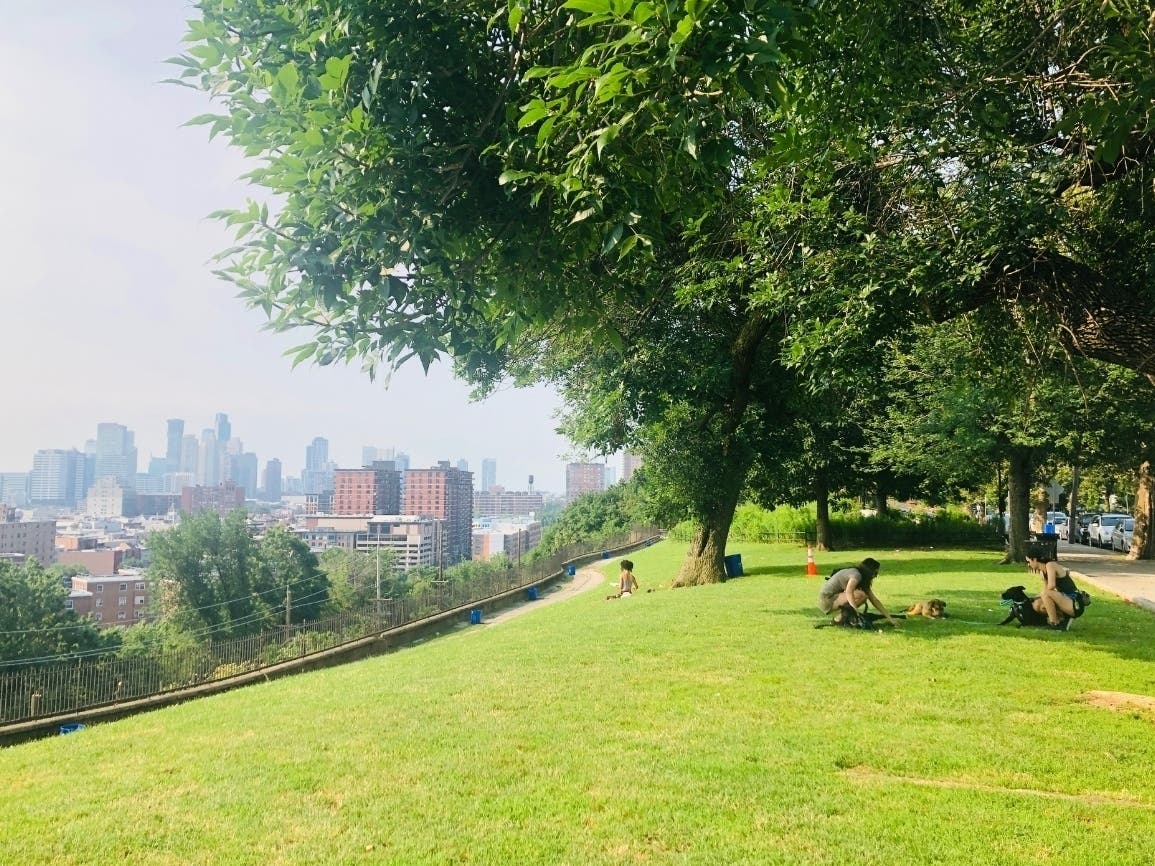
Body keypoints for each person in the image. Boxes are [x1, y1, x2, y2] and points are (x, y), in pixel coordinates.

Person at [817, 557, 898, 626]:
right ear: (869, 571)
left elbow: (874, 600)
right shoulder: (856, 575)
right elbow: (849, 592)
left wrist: (890, 619)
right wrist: (856, 611)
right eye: (875, 573)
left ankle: (843, 618)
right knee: (862, 595)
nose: (875, 576)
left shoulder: (861, 578)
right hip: (826, 600)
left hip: (833, 598)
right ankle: (838, 619)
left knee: (863, 595)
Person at [1025, 545, 1079, 629]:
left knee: (1045, 593)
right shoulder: (1042, 573)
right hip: (1064, 600)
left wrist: (1040, 595)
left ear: (1034, 559)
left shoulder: (1050, 565)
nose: (1028, 564)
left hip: (1074, 601)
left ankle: (1055, 623)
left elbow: (1051, 586)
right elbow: (1046, 592)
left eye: (1028, 561)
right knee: (1037, 605)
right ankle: (1063, 619)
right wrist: (1031, 599)